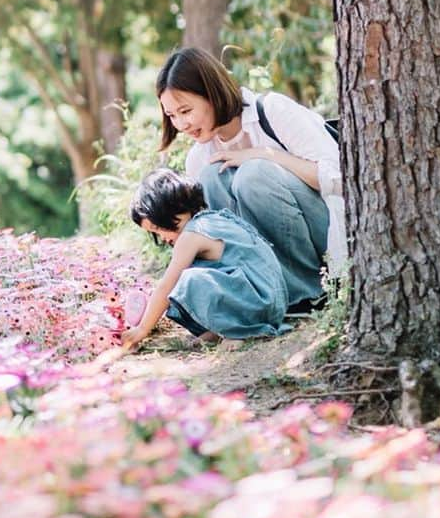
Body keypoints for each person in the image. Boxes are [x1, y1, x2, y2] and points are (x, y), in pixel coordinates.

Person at [155, 47, 344, 313]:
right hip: (270, 268)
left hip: (328, 230)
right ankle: (269, 293)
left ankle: (310, 293)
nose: (181, 124)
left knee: (253, 174)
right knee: (212, 175)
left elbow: (339, 179)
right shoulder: (199, 157)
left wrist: (263, 155)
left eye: (185, 111)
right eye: (172, 115)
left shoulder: (273, 111)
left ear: (212, 94)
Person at [122, 168, 289, 349]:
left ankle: (239, 331)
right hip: (270, 299)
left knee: (187, 281)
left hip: (259, 300)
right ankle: (221, 329)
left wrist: (142, 329)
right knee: (183, 286)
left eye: (158, 227)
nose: (161, 237)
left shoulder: (192, 235)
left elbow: (167, 285)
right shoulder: (211, 219)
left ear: (167, 208)